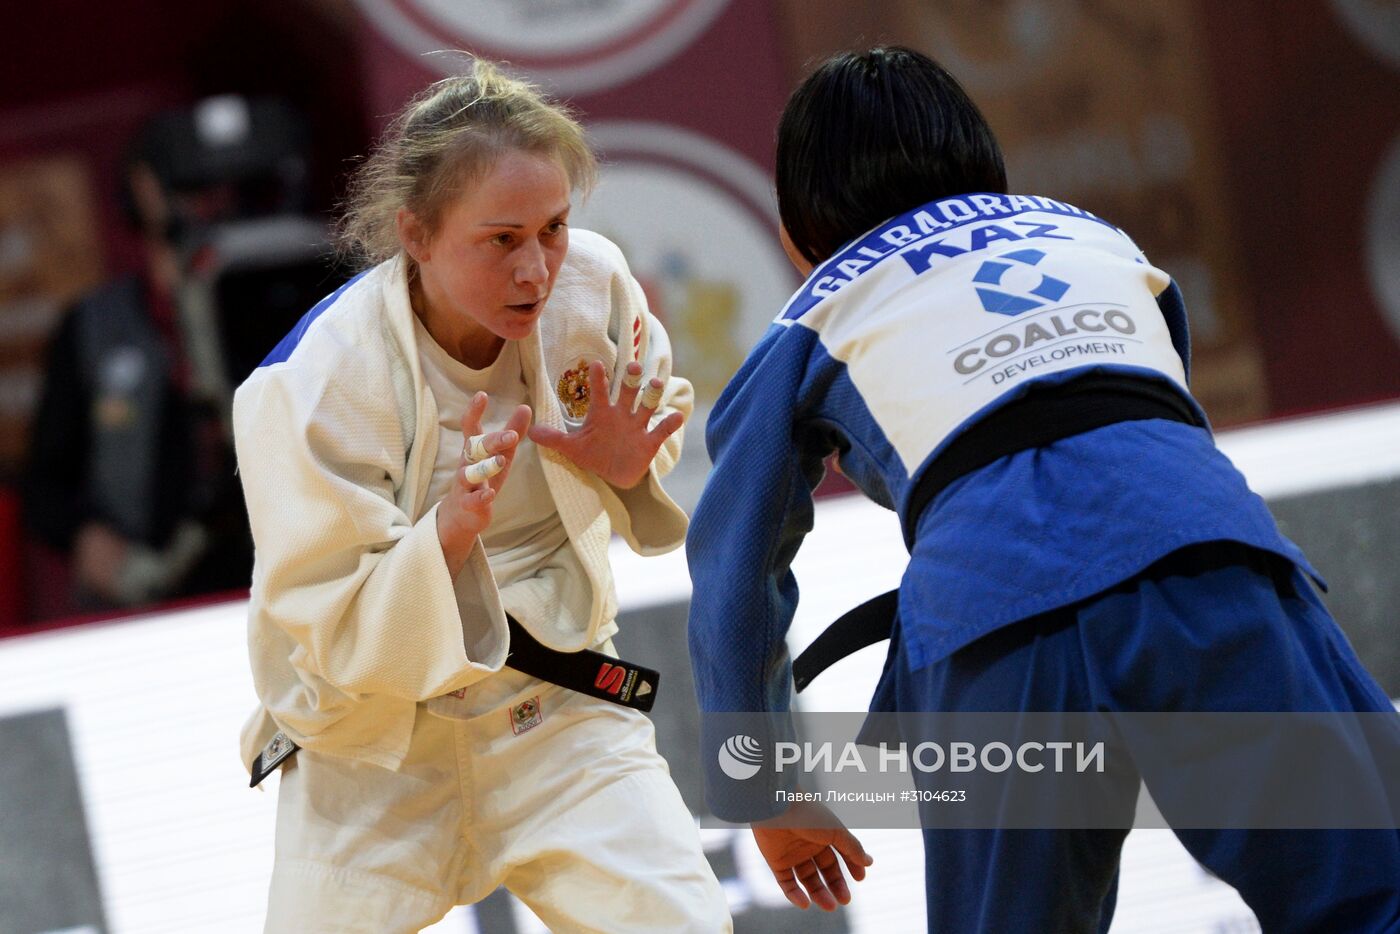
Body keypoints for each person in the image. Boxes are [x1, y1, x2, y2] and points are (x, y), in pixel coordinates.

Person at [685, 46, 1400, 931]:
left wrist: (761, 783)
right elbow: (1162, 427)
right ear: (990, 168)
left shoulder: (815, 313)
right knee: (1374, 894)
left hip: (992, 616)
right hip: (1198, 554)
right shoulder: (1093, 236)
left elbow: (733, 567)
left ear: (797, 236)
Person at [234, 61, 730, 932]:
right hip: (376, 757)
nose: (536, 269)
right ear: (415, 235)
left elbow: (653, 433)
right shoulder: (311, 384)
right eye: (501, 240)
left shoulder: (595, 289)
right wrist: (444, 544)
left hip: (561, 719)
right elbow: (323, 613)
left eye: (554, 229)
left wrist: (624, 470)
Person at [22, 127, 257, 612]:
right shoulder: (93, 325)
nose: (191, 193)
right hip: (144, 592)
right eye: (174, 173)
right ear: (139, 186)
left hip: (274, 579)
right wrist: (84, 535)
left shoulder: (278, 298)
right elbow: (43, 485)